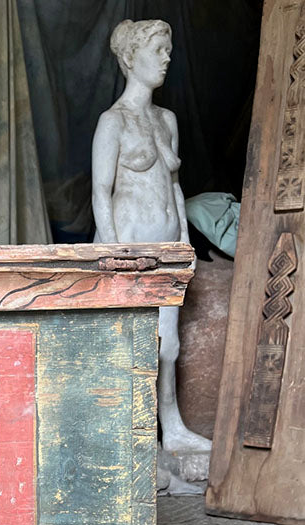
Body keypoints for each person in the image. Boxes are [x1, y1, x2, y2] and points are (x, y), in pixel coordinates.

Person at [92, 18, 210, 454]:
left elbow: (174, 186)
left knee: (169, 344)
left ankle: (173, 430)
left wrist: (184, 242)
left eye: (168, 48)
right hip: (130, 250)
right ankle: (138, 442)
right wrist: (112, 256)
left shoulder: (166, 120)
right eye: (158, 49)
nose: (167, 57)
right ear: (129, 58)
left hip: (166, 248)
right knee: (135, 347)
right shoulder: (113, 122)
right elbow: (100, 193)